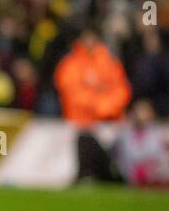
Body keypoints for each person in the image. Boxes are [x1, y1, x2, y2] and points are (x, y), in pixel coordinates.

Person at [54, 24, 131, 182]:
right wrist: (99, 105)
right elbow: (72, 94)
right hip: (78, 125)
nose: (90, 41)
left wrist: (104, 108)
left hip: (109, 125)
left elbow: (122, 90)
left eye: (93, 37)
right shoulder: (70, 64)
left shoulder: (109, 62)